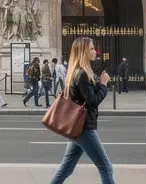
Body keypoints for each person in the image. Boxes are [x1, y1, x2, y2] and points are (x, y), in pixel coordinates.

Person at [47, 37, 115, 184]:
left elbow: (84, 96)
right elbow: (92, 102)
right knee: (106, 167)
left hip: (76, 127)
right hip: (84, 127)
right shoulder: (82, 73)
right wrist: (103, 85)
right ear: (83, 51)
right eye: (91, 48)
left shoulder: (76, 72)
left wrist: (98, 84)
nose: (95, 51)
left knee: (67, 168)